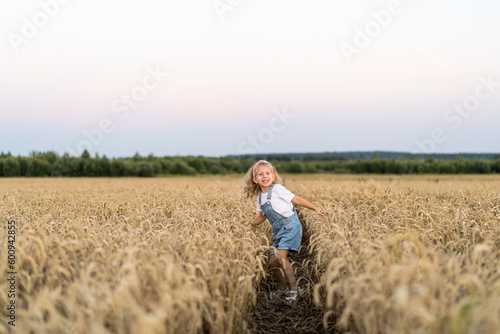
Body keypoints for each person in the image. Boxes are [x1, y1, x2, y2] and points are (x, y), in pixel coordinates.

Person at [242, 160, 326, 303]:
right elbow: (262, 216)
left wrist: (316, 209)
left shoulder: (277, 189)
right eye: (260, 174)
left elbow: (296, 199)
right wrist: (251, 223)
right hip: (278, 230)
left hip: (289, 226)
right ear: (255, 179)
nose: (265, 176)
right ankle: (282, 289)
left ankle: (294, 290)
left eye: (268, 173)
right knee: (273, 262)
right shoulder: (260, 197)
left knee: (281, 258)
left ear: (273, 175)